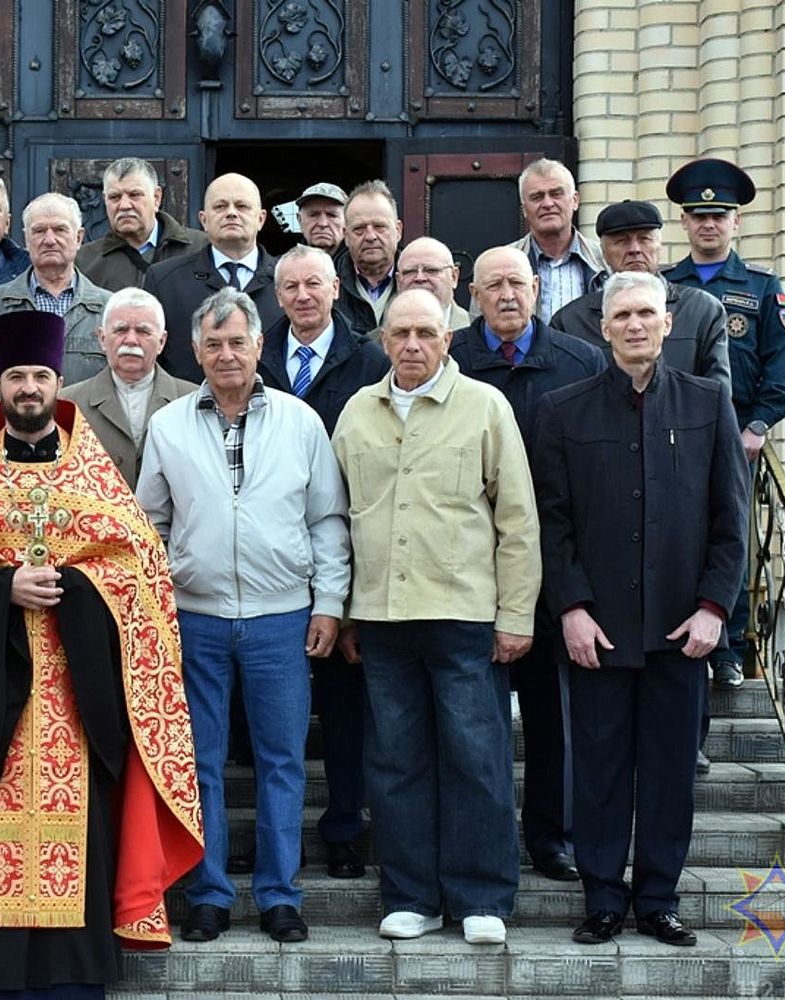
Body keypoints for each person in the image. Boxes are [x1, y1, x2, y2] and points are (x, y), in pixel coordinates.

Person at [0, 310, 203, 998]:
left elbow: (140, 574)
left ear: (58, 383)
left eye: (40, 375)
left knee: (82, 836)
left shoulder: (97, 484)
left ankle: (73, 980)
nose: (28, 387)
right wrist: (1, 588)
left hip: (76, 706)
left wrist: (75, 588)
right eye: (16, 375)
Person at [532, 271, 748, 948]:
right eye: (621, 315)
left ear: (666, 323)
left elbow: (731, 520)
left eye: (645, 314)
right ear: (603, 327)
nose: (634, 325)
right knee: (597, 773)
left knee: (669, 774)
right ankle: (602, 897)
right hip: (596, 629)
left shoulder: (708, 403)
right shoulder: (563, 410)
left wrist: (714, 608)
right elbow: (553, 523)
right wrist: (571, 608)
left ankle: (658, 899)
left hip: (682, 631)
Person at [138, 286, 350, 945]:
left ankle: (280, 896)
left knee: (281, 761)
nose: (226, 354)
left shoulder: (300, 422)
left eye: (238, 342)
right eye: (214, 344)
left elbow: (327, 520)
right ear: (194, 350)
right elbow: (150, 522)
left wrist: (329, 603)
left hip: (280, 618)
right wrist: (161, 602)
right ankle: (208, 895)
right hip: (194, 619)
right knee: (199, 761)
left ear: (260, 345)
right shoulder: (170, 425)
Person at [333, 288, 540, 946]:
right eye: (401, 333)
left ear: (449, 339)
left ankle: (482, 896)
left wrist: (516, 614)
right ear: (383, 342)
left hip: (463, 615)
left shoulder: (485, 407)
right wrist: (343, 613)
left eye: (426, 332)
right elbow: (338, 519)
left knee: (476, 757)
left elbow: (517, 519)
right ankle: (411, 896)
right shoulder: (357, 413)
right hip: (382, 619)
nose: (413, 344)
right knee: (396, 762)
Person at [450, 246, 607, 884]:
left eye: (518, 282)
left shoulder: (580, 360)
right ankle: (474, 838)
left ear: (537, 289)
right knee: (471, 718)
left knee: (552, 713)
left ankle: (551, 836)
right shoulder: (451, 357)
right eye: (493, 285)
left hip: (550, 562)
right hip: (463, 565)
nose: (507, 294)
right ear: (473, 294)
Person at [255, 243, 388, 880]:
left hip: (348, 552)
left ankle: (343, 827)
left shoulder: (369, 360)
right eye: (291, 287)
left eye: (315, 284)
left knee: (343, 708)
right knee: (265, 714)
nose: (303, 296)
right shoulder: (257, 356)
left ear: (336, 288)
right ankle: (264, 833)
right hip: (268, 560)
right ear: (277, 296)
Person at [662, 157, 785, 689]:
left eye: (719, 216)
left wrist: (757, 427)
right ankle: (675, 633)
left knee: (730, 538)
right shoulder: (662, 286)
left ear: (736, 221)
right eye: (698, 216)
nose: (708, 225)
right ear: (684, 222)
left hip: (735, 439)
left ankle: (728, 648)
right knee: (674, 538)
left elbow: (780, 370)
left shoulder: (762, 289)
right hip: (670, 436)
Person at [550, 201, 729, 387]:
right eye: (621, 241)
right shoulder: (571, 321)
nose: (634, 249)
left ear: (660, 246)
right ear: (604, 252)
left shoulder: (701, 311)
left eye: (644, 239)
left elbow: (717, 393)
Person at [143, 172, 282, 381]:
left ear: (261, 219)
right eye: (220, 206)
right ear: (204, 220)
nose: (231, 213)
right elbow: (150, 358)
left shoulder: (290, 281)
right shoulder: (165, 280)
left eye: (242, 206)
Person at [59, 287, 196, 487]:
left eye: (143, 331)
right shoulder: (67, 404)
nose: (131, 340)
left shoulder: (193, 402)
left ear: (161, 341)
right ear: (102, 338)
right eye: (120, 330)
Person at [0, 192, 111, 384]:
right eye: (39, 231)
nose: (49, 240)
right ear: (26, 239)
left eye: (60, 230)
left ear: (78, 238)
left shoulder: (109, 310)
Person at [77, 157, 209, 292]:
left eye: (134, 195)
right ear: (105, 200)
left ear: (156, 198)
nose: (124, 205)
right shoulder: (85, 261)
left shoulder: (201, 249)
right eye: (114, 197)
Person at [507, 158, 606, 323]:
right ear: (524, 209)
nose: (547, 203)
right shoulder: (502, 264)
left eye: (556, 194)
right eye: (537, 197)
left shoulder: (605, 261)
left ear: (575, 201)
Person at [335, 180, 403, 336]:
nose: (370, 236)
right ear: (346, 236)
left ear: (398, 231)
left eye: (379, 226)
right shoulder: (327, 287)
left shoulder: (418, 281)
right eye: (359, 229)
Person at [396, 237, 468, 329]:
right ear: (398, 281)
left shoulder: (479, 332)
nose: (419, 278)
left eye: (431, 270)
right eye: (410, 271)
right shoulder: (380, 335)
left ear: (453, 277)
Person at [295, 182, 347, 255]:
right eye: (313, 215)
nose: (323, 223)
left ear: (347, 222)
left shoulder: (361, 261)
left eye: (332, 215)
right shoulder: (283, 262)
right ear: (300, 220)